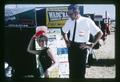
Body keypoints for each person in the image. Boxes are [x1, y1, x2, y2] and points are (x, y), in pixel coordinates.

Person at [62, 4, 103, 79]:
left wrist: (92, 44)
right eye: (68, 14)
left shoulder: (87, 21)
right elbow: (63, 31)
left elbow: (100, 33)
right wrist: (67, 41)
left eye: (70, 14)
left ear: (77, 12)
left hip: (82, 48)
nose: (69, 16)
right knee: (72, 71)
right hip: (72, 48)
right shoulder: (69, 21)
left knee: (81, 72)